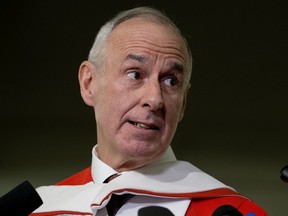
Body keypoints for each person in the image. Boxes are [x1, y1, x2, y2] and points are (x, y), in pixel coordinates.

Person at [31, 6, 267, 216]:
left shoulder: (230, 212)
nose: (155, 99)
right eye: (135, 74)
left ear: (183, 104)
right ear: (89, 83)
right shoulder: (40, 208)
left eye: (171, 81)